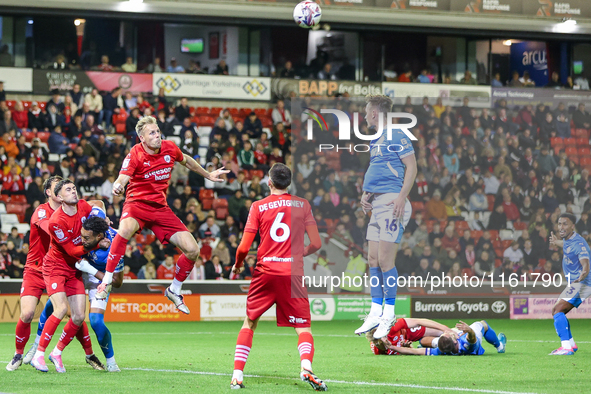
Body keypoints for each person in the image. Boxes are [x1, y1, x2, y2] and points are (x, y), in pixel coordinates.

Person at [95, 116, 229, 313]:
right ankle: (105, 282)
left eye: (157, 131)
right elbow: (122, 177)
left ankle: (174, 290)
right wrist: (117, 186)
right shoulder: (135, 154)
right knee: (123, 231)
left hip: (160, 209)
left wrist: (207, 175)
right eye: (152, 133)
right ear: (142, 138)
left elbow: (187, 161)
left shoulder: (169, 147)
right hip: (137, 205)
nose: (157, 135)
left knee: (193, 249)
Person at [228, 163, 325, 390]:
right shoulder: (303, 205)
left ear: (269, 183)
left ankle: (237, 376)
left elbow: (243, 248)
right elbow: (317, 243)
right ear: (289, 184)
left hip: (265, 272)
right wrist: (300, 253)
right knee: (303, 328)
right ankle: (306, 368)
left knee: (250, 322)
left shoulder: (258, 206)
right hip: (292, 275)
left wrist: (238, 265)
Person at [6, 176, 101, 371]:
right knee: (27, 313)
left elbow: (95, 205)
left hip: (64, 267)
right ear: (51, 193)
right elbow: (54, 232)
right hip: (36, 268)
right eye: (58, 187)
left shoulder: (74, 208)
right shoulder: (43, 212)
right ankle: (18, 353)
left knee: (74, 314)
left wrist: (100, 219)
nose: (67, 190)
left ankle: (87, 353)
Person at [356, 95, 416, 339]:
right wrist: (367, 193)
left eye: (366, 111)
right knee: (372, 259)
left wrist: (402, 197)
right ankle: (375, 310)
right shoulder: (377, 139)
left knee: (384, 261)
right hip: (378, 202)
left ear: (374, 113)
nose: (364, 115)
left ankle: (389, 312)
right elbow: (380, 170)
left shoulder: (397, 135)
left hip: (392, 202)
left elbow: (412, 167)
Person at [73, 212, 125, 372]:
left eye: (87, 238)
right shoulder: (89, 222)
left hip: (100, 279)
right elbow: (98, 203)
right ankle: (37, 349)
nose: (82, 240)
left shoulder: (116, 244)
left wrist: (90, 269)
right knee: (59, 308)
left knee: (95, 321)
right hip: (77, 272)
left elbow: (117, 282)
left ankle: (111, 361)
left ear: (100, 236)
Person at [548, 213, 591, 355]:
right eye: (559, 224)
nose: (561, 227)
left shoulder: (579, 244)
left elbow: (585, 263)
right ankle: (571, 344)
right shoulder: (569, 240)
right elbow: (565, 244)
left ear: (573, 226)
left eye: (565, 224)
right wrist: (556, 242)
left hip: (582, 283)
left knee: (557, 311)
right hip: (577, 284)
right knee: (559, 311)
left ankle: (566, 348)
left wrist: (583, 273)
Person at [385, 320, 506, 356]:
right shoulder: (466, 344)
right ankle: (499, 346)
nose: (447, 333)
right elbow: (472, 338)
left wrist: (393, 347)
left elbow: (413, 351)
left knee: (423, 340)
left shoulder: (440, 350)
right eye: (448, 334)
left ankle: (425, 343)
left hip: (449, 346)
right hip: (474, 344)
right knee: (483, 324)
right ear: (454, 339)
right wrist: (469, 330)